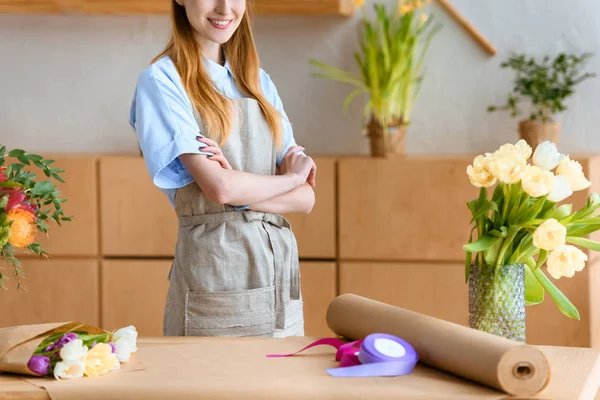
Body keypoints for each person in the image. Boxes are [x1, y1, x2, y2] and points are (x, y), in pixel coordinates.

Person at [129, 0, 316, 338]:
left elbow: (305, 200)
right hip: (214, 272)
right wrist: (288, 178)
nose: (225, 7)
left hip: (278, 276)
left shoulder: (258, 83)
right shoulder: (162, 81)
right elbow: (220, 189)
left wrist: (242, 189)